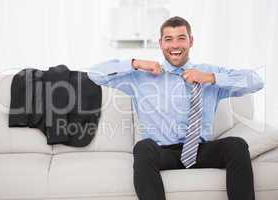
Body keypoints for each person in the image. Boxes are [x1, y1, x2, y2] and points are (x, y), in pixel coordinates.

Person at [87, 16, 263, 200]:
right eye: (168, 39)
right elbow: (95, 74)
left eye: (181, 38)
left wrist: (210, 78)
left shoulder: (208, 73)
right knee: (142, 148)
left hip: (200, 151)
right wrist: (135, 63)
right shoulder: (141, 77)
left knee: (236, 145)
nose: (175, 45)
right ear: (161, 44)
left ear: (191, 41)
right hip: (163, 152)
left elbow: (256, 81)